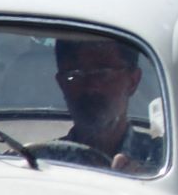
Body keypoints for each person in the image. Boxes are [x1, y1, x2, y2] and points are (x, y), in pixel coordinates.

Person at [45, 36, 162, 173]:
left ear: (132, 81)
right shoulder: (44, 163)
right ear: (62, 84)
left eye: (103, 73)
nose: (91, 87)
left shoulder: (163, 160)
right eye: (75, 75)